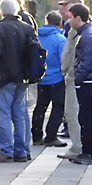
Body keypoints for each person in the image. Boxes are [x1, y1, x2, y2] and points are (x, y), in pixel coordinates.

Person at [0, 0, 36, 163]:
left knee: (5, 114)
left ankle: (6, 149)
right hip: (23, 78)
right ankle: (22, 151)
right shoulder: (27, 29)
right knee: (20, 114)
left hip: (5, 77)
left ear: (1, 12)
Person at [68, 3, 92, 165]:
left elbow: (86, 61)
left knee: (86, 117)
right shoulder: (90, 33)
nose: (68, 21)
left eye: (70, 17)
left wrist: (77, 81)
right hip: (91, 80)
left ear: (78, 17)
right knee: (84, 116)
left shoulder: (89, 36)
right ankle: (87, 151)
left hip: (88, 81)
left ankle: (90, 153)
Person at [31, 10, 67, 146]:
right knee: (58, 106)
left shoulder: (37, 37)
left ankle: (36, 136)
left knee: (40, 106)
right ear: (60, 24)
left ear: (46, 22)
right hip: (57, 79)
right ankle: (51, 136)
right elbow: (64, 60)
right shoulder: (60, 39)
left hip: (41, 78)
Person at [56, 0, 85, 158]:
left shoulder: (76, 30)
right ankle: (79, 145)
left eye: (66, 5)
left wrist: (68, 71)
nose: (63, 9)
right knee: (73, 113)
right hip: (74, 75)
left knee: (73, 113)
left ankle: (77, 147)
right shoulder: (76, 29)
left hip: (74, 76)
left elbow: (71, 52)